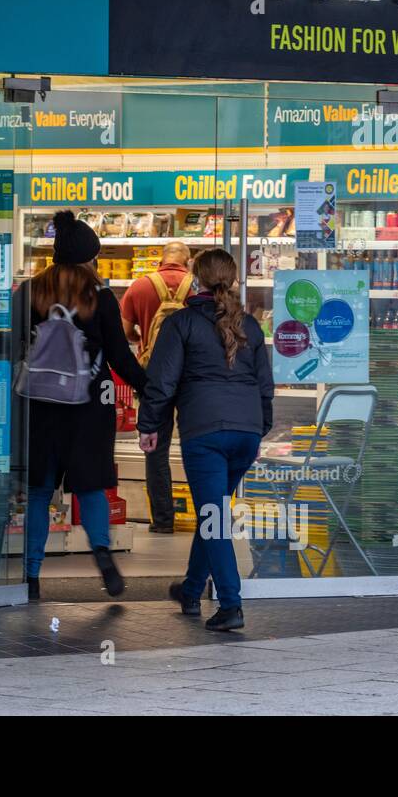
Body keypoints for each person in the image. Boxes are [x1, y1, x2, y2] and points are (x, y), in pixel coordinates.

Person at [14, 210, 149, 600]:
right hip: (89, 406)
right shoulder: (100, 297)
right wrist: (151, 389)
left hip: (39, 405)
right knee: (91, 488)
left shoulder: (30, 292)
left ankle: (31, 576)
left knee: (39, 492)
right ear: (88, 258)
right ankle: (103, 552)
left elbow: (12, 344)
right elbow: (121, 358)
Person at [137, 248, 273, 632]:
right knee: (211, 513)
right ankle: (191, 588)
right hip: (244, 434)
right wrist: (260, 428)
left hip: (206, 434)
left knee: (213, 519)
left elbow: (161, 383)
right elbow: (265, 386)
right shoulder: (248, 323)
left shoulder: (181, 323)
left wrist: (148, 426)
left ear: (195, 280)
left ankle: (231, 604)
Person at [121, 241, 192, 534]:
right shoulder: (197, 286)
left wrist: (145, 341)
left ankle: (163, 521)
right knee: (196, 446)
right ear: (188, 261)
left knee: (156, 448)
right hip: (192, 377)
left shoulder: (139, 287)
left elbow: (124, 331)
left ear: (161, 259)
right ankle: (208, 517)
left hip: (154, 376)